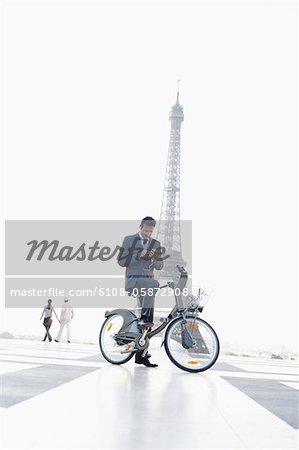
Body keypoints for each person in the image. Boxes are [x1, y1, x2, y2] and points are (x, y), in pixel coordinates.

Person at [117, 216, 164, 367]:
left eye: (151, 231)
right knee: (154, 286)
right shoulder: (129, 240)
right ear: (140, 227)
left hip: (147, 282)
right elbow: (121, 261)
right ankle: (145, 320)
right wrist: (139, 255)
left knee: (147, 314)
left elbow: (159, 266)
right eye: (145, 231)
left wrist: (155, 258)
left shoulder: (156, 244)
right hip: (134, 280)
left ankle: (141, 355)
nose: (148, 234)